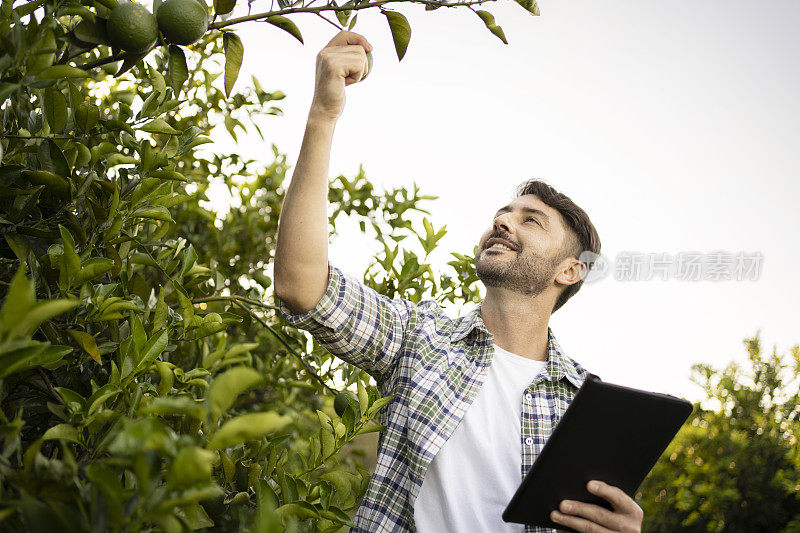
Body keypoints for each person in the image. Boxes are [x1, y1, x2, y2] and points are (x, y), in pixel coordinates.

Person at [273, 30, 644, 533]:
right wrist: (322, 115)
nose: (504, 222)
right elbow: (302, 286)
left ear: (571, 270)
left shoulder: (588, 408)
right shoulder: (419, 338)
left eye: (531, 220)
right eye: (502, 214)